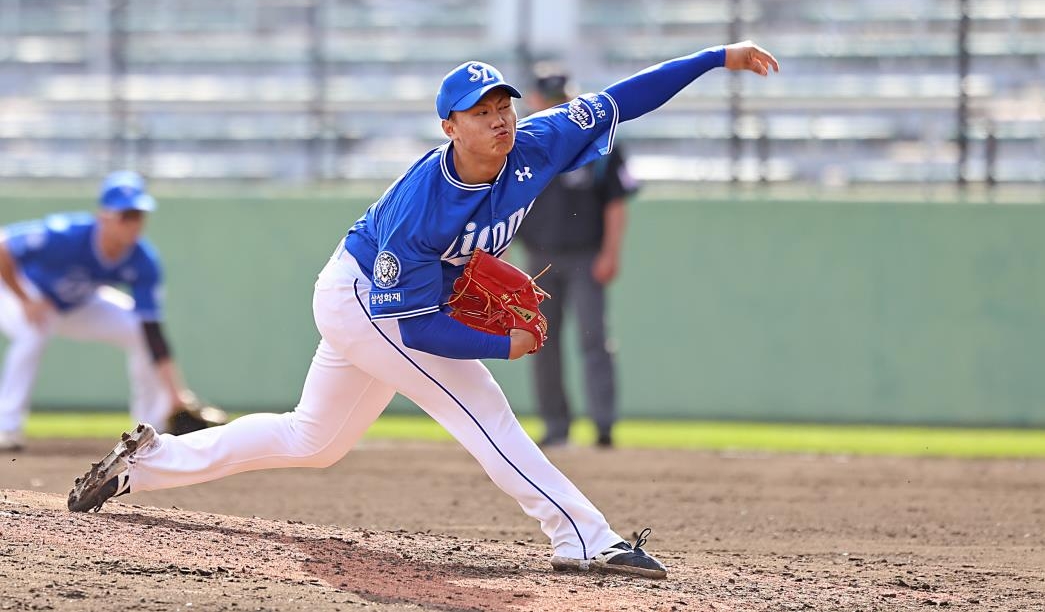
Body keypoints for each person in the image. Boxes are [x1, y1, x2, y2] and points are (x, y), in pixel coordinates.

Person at [67, 41, 780, 579]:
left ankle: (147, 463)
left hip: (393, 302)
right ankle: (582, 537)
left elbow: (627, 94)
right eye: (482, 112)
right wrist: (502, 348)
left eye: (503, 106)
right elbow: (414, 328)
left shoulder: (537, 141)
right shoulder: (421, 208)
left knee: (313, 440)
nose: (500, 119)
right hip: (364, 300)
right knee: (482, 408)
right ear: (450, 126)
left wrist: (717, 57)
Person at [0, 171, 223, 451]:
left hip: (77, 302)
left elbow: (152, 329)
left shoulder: (143, 260)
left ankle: (149, 428)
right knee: (34, 332)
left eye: (139, 215)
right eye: (125, 215)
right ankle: (6, 428)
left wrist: (176, 394)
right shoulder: (67, 234)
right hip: (19, 292)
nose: (133, 224)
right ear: (104, 216)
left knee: (136, 329)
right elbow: (3, 246)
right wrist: (24, 298)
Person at [516, 64, 638, 449]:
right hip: (539, 259)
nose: (554, 105)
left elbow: (616, 204)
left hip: (586, 255)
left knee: (593, 338)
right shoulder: (519, 145)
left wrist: (610, 253)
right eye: (548, 99)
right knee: (540, 342)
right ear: (534, 100)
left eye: (560, 98)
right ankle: (555, 425)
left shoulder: (599, 143)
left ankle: (603, 424)